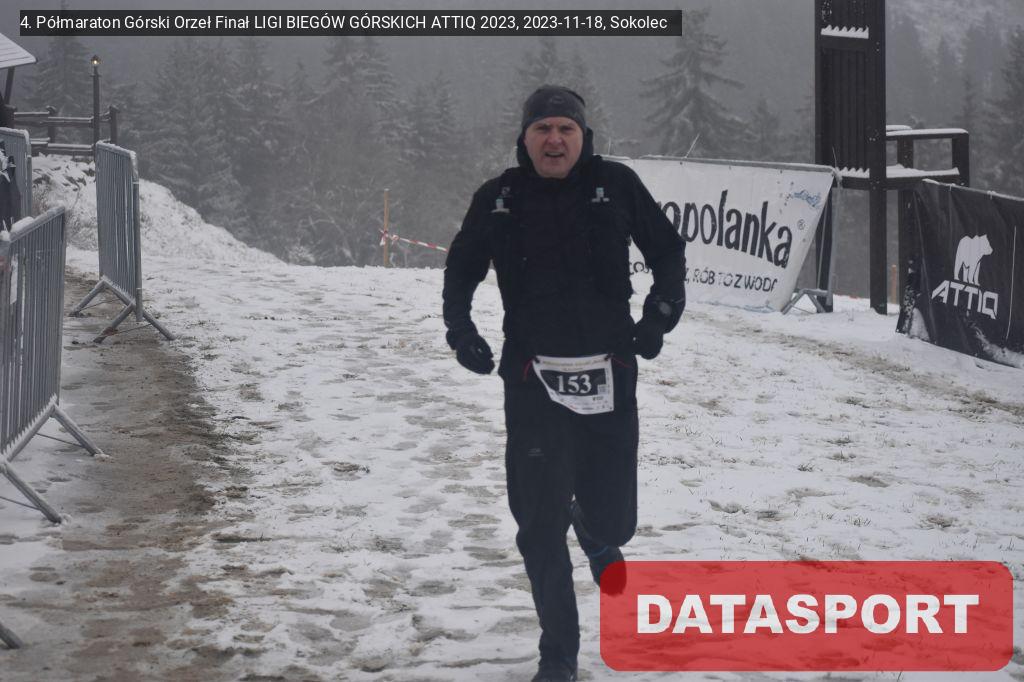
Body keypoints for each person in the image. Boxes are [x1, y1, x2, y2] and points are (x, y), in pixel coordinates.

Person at [442, 85, 685, 682]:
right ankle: (559, 656)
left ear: (584, 137)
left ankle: (596, 535)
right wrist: (461, 331)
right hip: (533, 380)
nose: (554, 139)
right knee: (538, 526)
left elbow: (667, 252)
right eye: (542, 129)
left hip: (610, 373)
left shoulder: (617, 185)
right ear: (525, 139)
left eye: (566, 129)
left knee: (614, 520)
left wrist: (658, 317)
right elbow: (462, 267)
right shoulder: (499, 197)